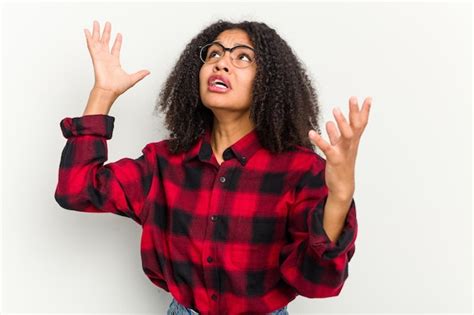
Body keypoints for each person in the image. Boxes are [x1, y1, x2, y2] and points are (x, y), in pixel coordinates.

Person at [54, 19, 371, 315]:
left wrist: (340, 198)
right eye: (214, 53)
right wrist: (103, 94)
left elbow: (319, 281)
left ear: (271, 82)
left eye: (243, 57)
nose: (222, 62)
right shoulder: (164, 163)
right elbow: (77, 190)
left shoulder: (300, 170)